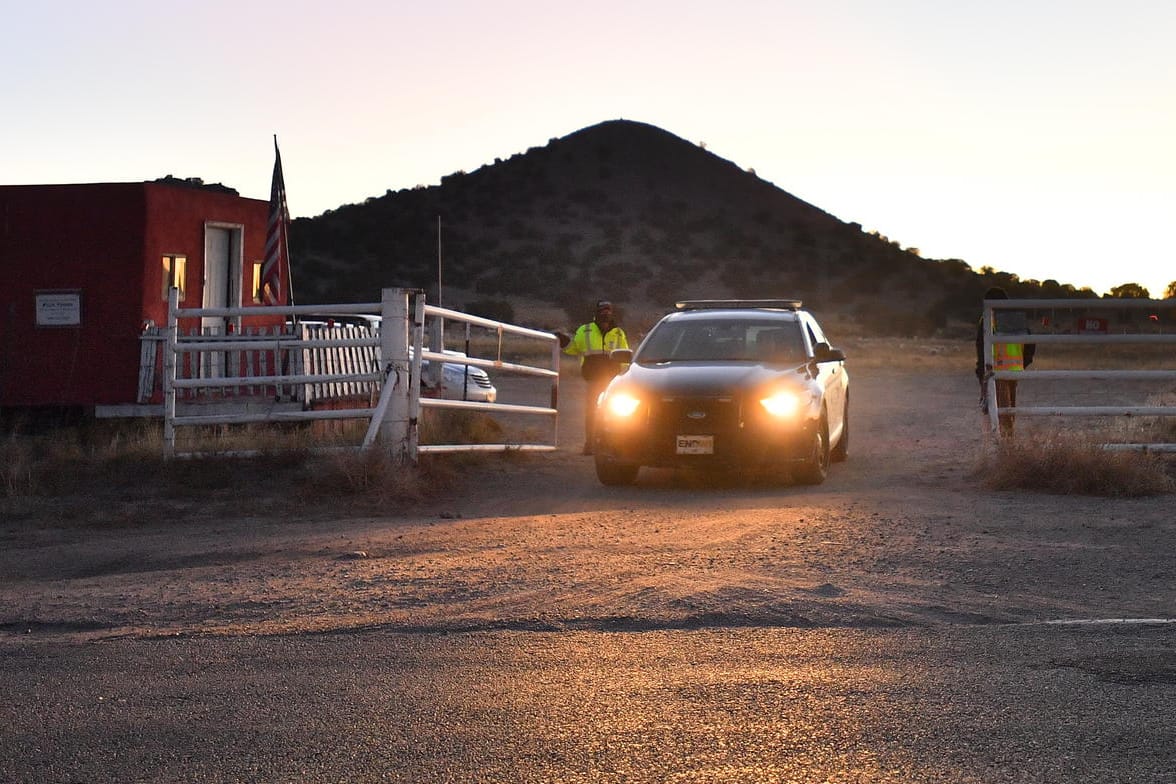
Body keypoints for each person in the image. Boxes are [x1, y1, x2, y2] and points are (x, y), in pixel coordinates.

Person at [558, 300, 629, 454]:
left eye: (608, 310)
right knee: (591, 413)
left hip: (613, 381)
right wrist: (563, 342)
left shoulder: (618, 333)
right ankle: (590, 444)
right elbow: (574, 349)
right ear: (596, 312)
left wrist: (624, 380)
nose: (606, 313)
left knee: (617, 414)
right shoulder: (585, 330)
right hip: (593, 379)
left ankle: (615, 444)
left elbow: (625, 356)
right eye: (603, 310)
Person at [975, 286, 1035, 437]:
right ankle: (1007, 445)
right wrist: (1022, 363)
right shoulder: (1016, 319)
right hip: (1014, 370)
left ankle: (1004, 448)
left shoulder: (988, 319)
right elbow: (1030, 343)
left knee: (1000, 412)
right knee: (1008, 410)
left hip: (995, 370)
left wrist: (981, 372)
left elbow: (980, 347)